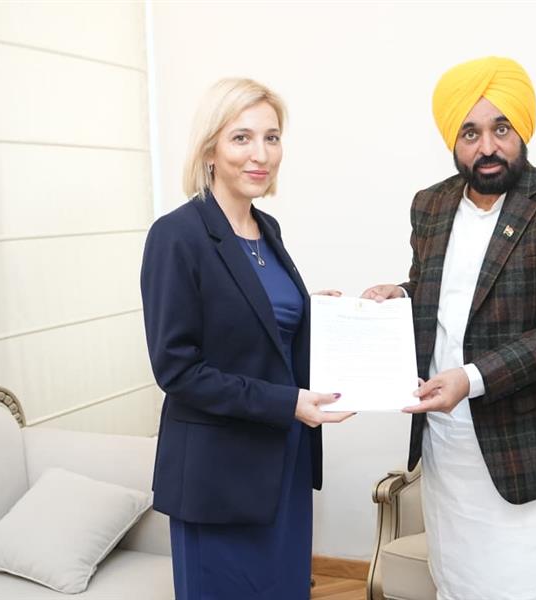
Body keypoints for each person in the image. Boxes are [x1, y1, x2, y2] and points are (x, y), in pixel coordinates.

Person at [362, 57, 536, 599]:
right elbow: (441, 293)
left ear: (521, 129)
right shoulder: (430, 205)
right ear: (452, 139)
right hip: (451, 448)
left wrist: (471, 378)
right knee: (461, 585)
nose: (487, 147)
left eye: (501, 129)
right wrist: (400, 296)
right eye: (470, 133)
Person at [141, 78, 352, 600]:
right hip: (218, 476)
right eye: (242, 138)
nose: (261, 154)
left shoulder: (268, 229)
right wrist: (288, 404)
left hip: (284, 463)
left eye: (271, 138)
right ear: (210, 148)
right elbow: (178, 371)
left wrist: (320, 314)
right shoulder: (176, 235)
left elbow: (258, 328)